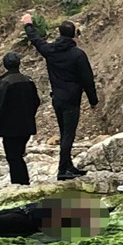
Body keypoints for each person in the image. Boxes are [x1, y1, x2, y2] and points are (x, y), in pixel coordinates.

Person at [21, 13, 99, 181]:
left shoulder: (50, 51)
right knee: (68, 135)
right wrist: (93, 101)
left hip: (57, 98)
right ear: (74, 35)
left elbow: (35, 39)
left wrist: (28, 24)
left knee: (64, 133)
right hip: (72, 100)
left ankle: (68, 166)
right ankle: (62, 170)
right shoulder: (78, 55)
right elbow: (87, 80)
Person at [0, 52, 41, 185]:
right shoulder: (28, 81)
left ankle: (19, 183)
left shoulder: (5, 83)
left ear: (5, 65)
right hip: (26, 124)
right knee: (19, 153)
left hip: (10, 127)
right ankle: (23, 181)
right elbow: (36, 101)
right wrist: (29, 115)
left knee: (13, 157)